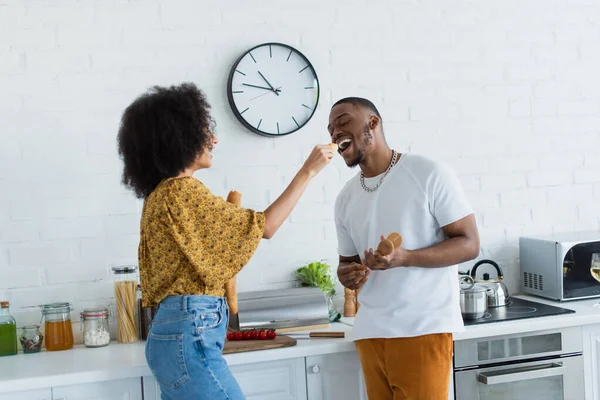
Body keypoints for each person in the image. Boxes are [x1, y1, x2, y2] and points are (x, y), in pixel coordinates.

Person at [117, 82, 335, 400]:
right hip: (190, 329)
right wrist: (307, 171)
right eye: (205, 131)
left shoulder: (159, 196)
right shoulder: (183, 192)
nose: (214, 139)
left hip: (169, 332)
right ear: (178, 137)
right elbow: (266, 226)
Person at [329, 97, 480, 399]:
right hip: (371, 332)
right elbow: (346, 263)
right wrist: (349, 274)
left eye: (343, 122)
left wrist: (406, 258)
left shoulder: (428, 173)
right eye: (330, 130)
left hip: (421, 329)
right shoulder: (345, 198)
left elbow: (469, 243)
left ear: (373, 123)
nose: (335, 133)